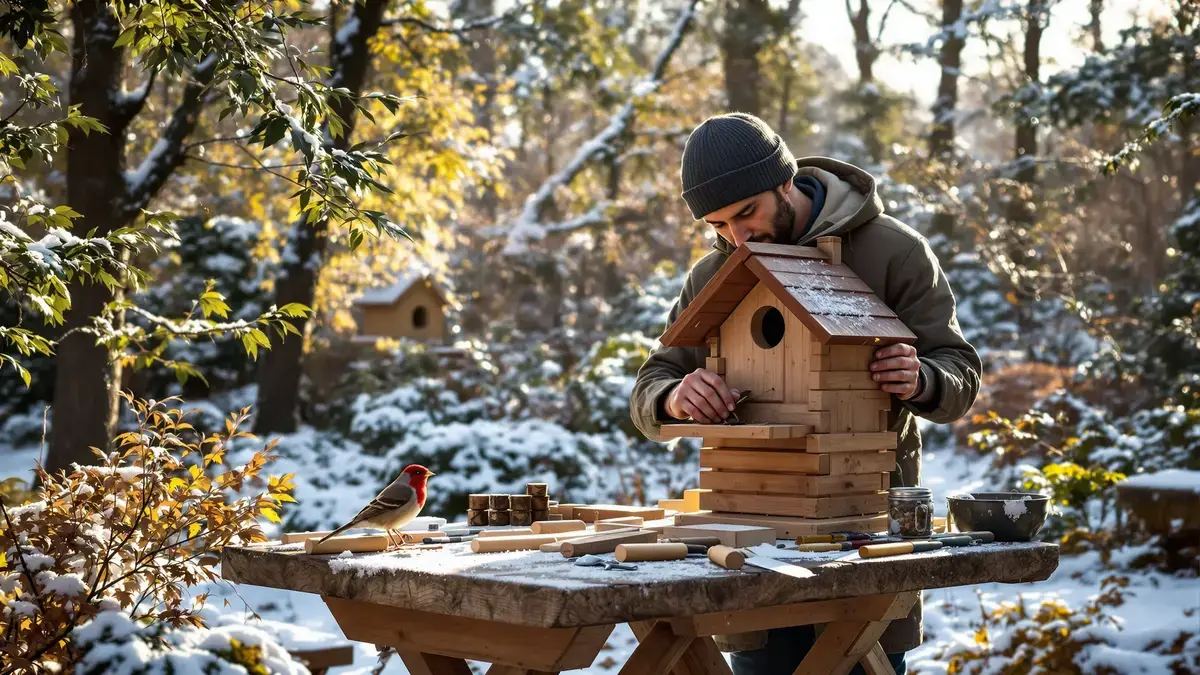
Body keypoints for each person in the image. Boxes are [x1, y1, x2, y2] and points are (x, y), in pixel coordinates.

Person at [629, 112, 982, 675]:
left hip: (864, 533)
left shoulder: (892, 252)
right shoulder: (714, 275)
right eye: (719, 225)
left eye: (748, 212)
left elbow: (959, 372)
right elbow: (650, 385)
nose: (738, 238)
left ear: (786, 182)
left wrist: (922, 378)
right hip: (751, 539)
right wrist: (674, 397)